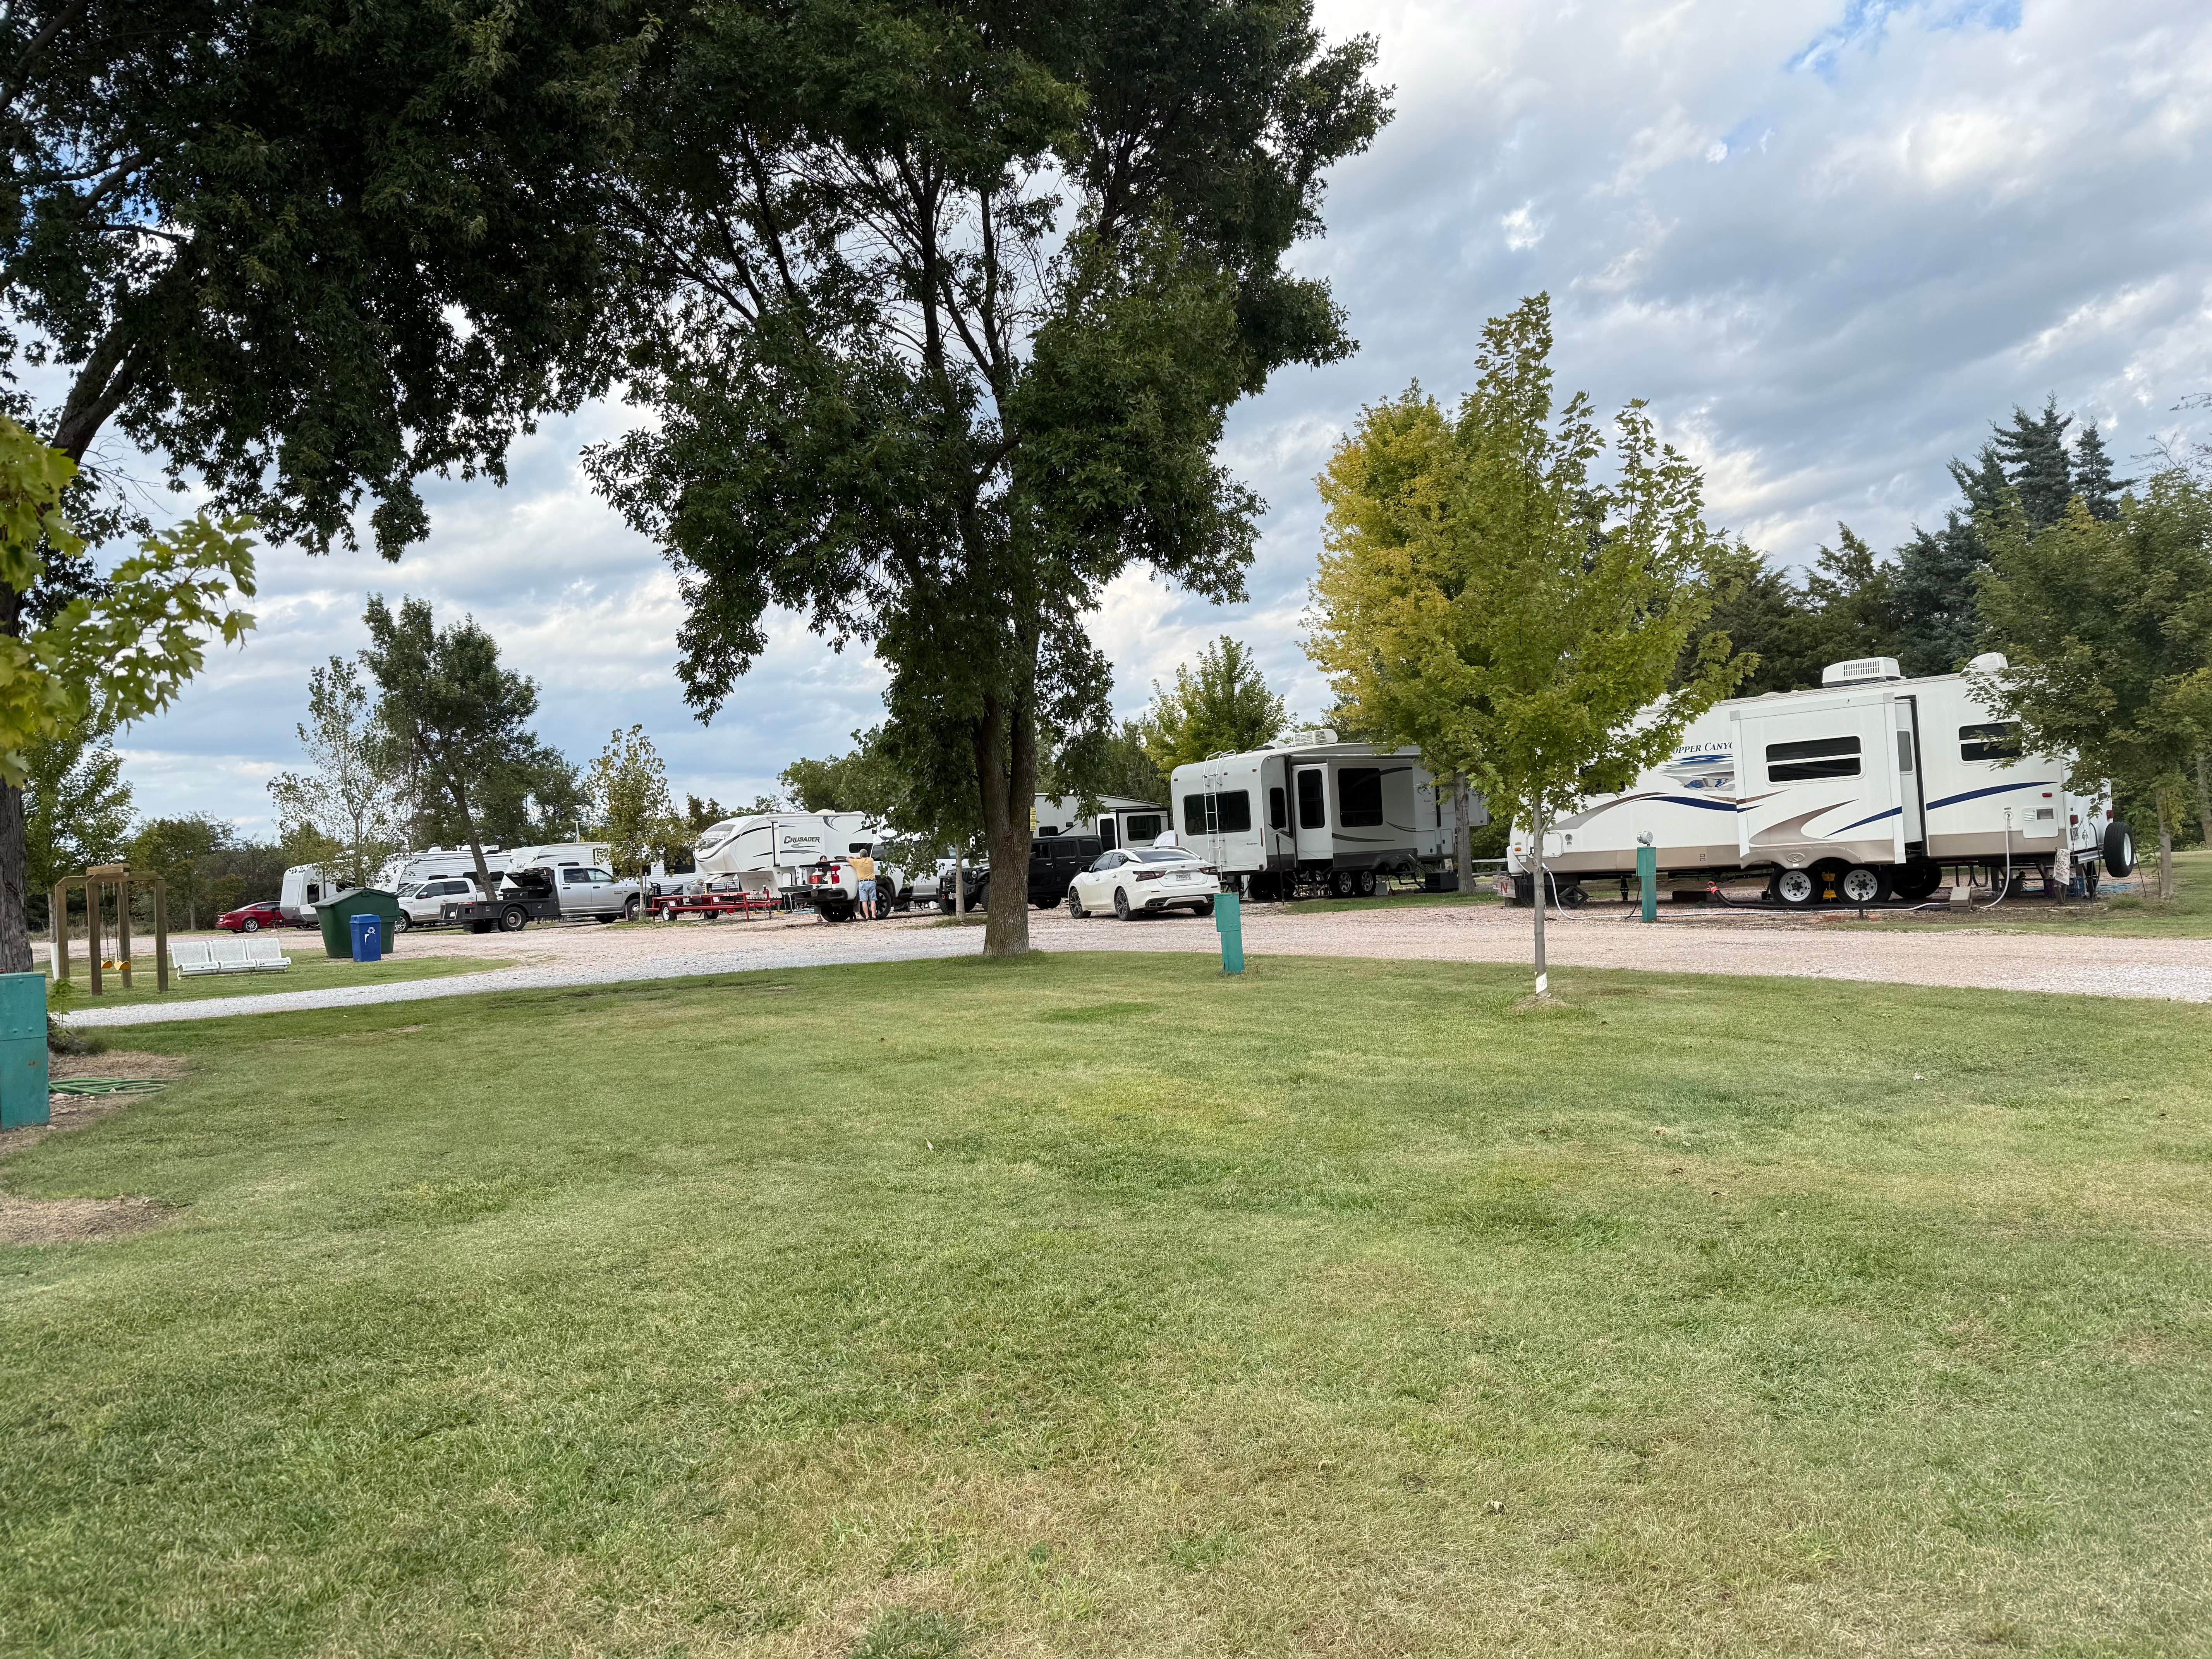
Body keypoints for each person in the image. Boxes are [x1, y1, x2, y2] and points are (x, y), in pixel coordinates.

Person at [851, 844, 878, 920]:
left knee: (864, 901)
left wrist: (855, 857)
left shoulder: (857, 862)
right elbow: (867, 858)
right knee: (873, 900)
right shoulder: (871, 860)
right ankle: (874, 916)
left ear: (860, 855)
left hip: (863, 883)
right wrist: (861, 857)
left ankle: (867, 917)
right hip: (872, 882)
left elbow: (848, 859)